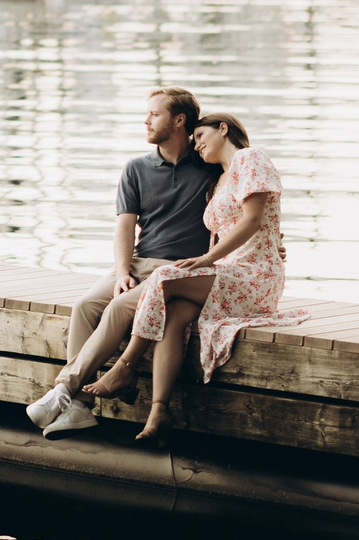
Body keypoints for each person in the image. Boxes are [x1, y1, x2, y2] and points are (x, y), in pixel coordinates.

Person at [81, 111, 301, 440]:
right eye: (193, 139)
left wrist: (207, 259)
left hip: (255, 274)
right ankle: (159, 411)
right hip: (228, 273)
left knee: (164, 279)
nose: (196, 145)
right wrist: (213, 258)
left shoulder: (249, 158)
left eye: (201, 136)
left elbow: (254, 220)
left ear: (223, 129)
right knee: (174, 316)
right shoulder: (218, 180)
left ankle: (124, 368)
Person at [25, 86, 217, 436]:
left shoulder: (209, 167)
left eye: (154, 114)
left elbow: (241, 211)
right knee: (85, 305)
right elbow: (125, 227)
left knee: (117, 310)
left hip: (178, 271)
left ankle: (66, 390)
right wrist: (123, 271)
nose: (146, 120)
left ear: (179, 120)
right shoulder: (136, 168)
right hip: (139, 261)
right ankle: (81, 407)